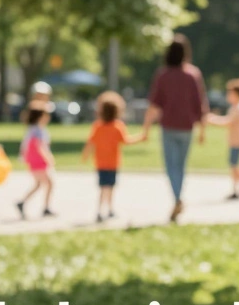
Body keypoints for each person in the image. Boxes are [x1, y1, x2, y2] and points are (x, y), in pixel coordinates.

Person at [142, 34, 208, 222]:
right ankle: (178, 197)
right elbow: (201, 104)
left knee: (171, 166)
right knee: (181, 166)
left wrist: (146, 128)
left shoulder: (163, 75)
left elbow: (154, 105)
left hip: (169, 127)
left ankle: (177, 198)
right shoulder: (193, 74)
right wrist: (203, 130)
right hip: (187, 127)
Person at [82, 91, 144, 222]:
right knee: (110, 187)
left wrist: (85, 155)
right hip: (112, 163)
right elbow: (126, 141)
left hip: (100, 163)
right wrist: (140, 137)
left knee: (103, 187)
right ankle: (107, 209)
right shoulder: (117, 126)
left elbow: (90, 143)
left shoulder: (98, 126)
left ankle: (103, 210)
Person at [204, 78, 239, 200]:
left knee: (234, 166)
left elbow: (228, 122)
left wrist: (211, 119)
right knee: (236, 165)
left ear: (236, 94)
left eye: (230, 93)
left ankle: (236, 190)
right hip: (236, 141)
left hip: (237, 142)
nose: (228, 96)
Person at [16, 100, 55, 218]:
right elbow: (39, 145)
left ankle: (22, 202)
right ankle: (46, 208)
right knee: (49, 183)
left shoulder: (32, 129)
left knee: (39, 184)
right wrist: (48, 157)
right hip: (38, 161)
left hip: (34, 161)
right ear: (40, 116)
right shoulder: (37, 130)